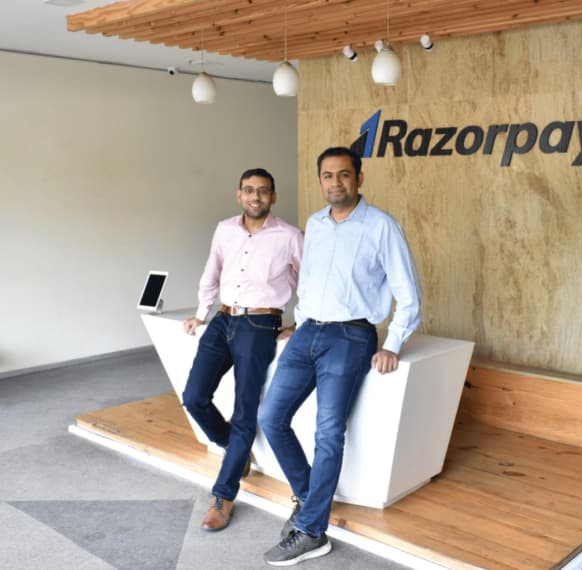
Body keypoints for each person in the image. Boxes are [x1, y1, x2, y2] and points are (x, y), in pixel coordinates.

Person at [259, 147, 422, 565]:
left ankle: (313, 531)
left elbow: (408, 293)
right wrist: (299, 321)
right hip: (308, 331)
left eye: (344, 174)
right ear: (320, 181)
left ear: (359, 179)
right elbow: (312, 280)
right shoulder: (315, 224)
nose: (336, 182)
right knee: (271, 417)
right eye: (328, 176)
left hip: (351, 336)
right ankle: (309, 499)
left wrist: (392, 343)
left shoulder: (381, 226)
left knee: (328, 431)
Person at [181, 168, 303, 532]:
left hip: (261, 324)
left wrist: (300, 322)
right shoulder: (224, 229)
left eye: (263, 191)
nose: (256, 197)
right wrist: (201, 313)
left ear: (273, 197)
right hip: (223, 319)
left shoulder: (290, 236)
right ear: (239, 195)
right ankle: (233, 446)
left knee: (245, 411)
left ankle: (223, 496)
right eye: (249, 190)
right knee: (194, 396)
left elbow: (310, 280)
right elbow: (212, 271)